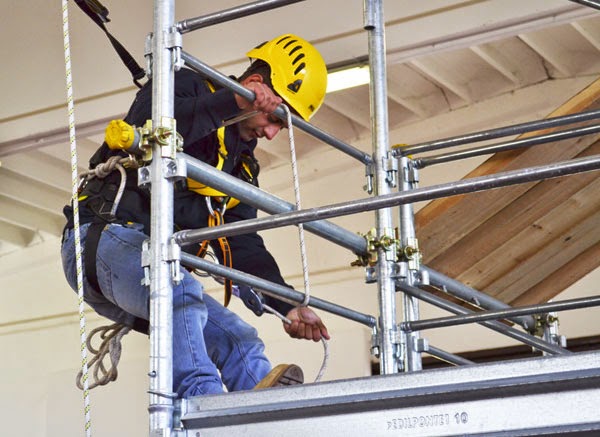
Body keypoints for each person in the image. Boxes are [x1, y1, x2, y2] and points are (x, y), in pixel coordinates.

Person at [61, 34, 330, 398]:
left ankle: (264, 414)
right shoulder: (183, 85)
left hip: (151, 267)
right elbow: (152, 123)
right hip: (102, 242)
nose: (270, 133)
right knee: (180, 288)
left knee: (239, 339)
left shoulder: (240, 162)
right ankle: (205, 406)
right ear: (254, 87)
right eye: (275, 117)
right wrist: (230, 102)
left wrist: (288, 304)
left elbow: (241, 240)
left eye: (281, 126)